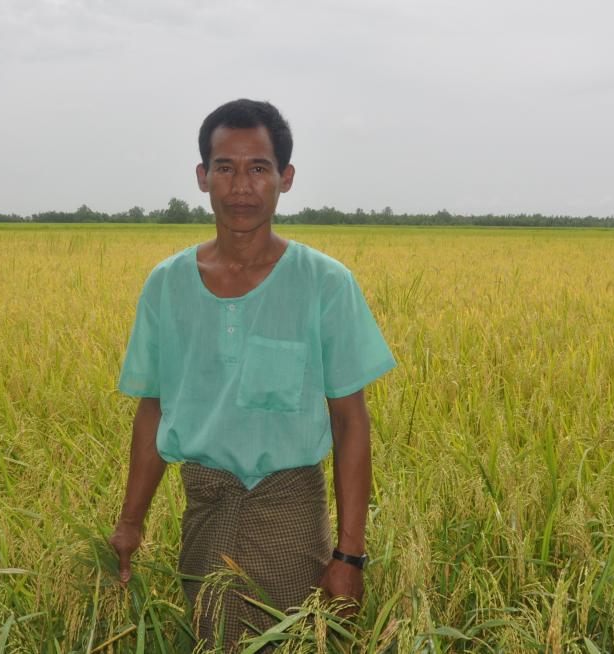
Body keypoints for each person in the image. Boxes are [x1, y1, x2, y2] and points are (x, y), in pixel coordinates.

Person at [109, 98, 395, 650]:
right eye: (226, 167)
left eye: (258, 168)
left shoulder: (325, 283)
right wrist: (130, 522)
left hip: (291, 519)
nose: (241, 185)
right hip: (205, 516)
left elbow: (350, 422)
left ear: (286, 178)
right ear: (202, 176)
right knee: (209, 639)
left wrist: (349, 555)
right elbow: (154, 409)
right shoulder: (166, 285)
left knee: (294, 642)